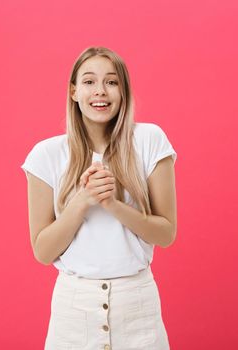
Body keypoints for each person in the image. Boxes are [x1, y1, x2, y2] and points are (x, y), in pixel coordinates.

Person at [21, 46, 177, 350]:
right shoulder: (46, 155)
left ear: (123, 91)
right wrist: (81, 201)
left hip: (137, 306)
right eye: (89, 82)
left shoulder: (150, 141)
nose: (100, 92)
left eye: (112, 82)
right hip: (73, 312)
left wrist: (112, 205)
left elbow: (166, 232)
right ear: (74, 92)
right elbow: (43, 250)